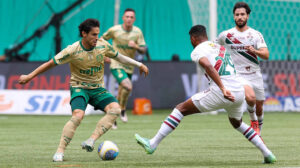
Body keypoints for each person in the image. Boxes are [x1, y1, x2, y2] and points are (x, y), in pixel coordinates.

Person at [135, 25, 276, 164]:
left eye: (190, 39)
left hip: (222, 91)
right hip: (239, 92)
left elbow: (208, 66)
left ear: (193, 38)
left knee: (180, 109)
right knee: (237, 123)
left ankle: (152, 144)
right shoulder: (221, 48)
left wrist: (222, 88)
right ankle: (267, 153)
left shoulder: (198, 49)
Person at [18, 18, 149, 162]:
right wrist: (30, 76)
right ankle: (60, 151)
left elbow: (119, 57)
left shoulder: (102, 45)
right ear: (84, 34)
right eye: (93, 34)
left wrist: (139, 64)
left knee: (116, 109)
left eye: (97, 34)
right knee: (78, 116)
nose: (97, 37)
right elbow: (50, 63)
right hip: (79, 87)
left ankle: (91, 140)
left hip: (98, 89)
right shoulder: (72, 50)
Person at [215, 2, 269, 135]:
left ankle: (258, 132)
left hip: (254, 73)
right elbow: (215, 47)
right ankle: (253, 121)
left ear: (248, 16)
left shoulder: (255, 34)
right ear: (234, 17)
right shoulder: (226, 35)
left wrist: (254, 51)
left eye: (242, 14)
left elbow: (266, 55)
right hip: (237, 74)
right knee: (250, 98)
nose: (240, 17)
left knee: (259, 106)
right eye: (237, 14)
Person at [102, 8, 146, 128]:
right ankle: (121, 110)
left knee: (124, 91)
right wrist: (104, 55)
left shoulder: (137, 32)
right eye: (127, 17)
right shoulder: (114, 30)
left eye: (131, 17)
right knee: (127, 85)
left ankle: (118, 112)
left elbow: (144, 49)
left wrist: (136, 46)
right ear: (123, 18)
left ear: (134, 19)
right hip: (116, 63)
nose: (129, 19)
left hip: (129, 65)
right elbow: (101, 40)